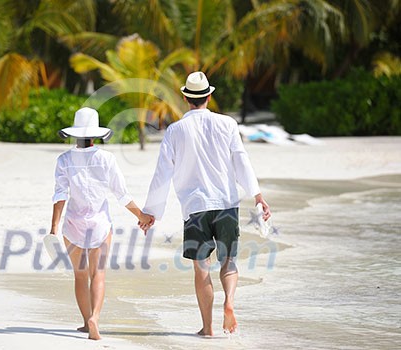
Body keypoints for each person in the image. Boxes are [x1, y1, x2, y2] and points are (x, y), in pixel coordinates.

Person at [140, 72, 271, 336]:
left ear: (186, 98)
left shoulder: (175, 131)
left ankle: (208, 328)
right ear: (209, 97)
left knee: (202, 269)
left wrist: (151, 212)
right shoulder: (228, 124)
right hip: (226, 203)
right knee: (229, 260)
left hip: (195, 208)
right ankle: (230, 302)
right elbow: (240, 160)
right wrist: (256, 194)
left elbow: (162, 173)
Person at [50, 107, 150, 340]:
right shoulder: (106, 159)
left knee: (79, 275)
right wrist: (141, 216)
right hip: (99, 224)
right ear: (95, 135)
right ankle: (95, 317)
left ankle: (86, 322)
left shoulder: (64, 159)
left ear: (75, 133)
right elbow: (122, 195)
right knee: (99, 275)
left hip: (73, 223)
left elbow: (60, 195)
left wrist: (54, 226)